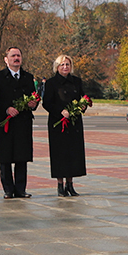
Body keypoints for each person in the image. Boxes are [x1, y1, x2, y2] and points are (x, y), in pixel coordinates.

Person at [0, 47, 38, 198]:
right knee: (6, 157)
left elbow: (33, 97)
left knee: (22, 156)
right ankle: (8, 190)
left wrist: (33, 104)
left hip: (23, 122)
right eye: (13, 56)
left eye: (18, 55)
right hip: (6, 122)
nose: (16, 58)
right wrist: (6, 108)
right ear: (6, 59)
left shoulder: (28, 77)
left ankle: (21, 189)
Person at [42, 55, 88, 197]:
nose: (65, 67)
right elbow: (46, 103)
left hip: (74, 123)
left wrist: (82, 107)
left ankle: (70, 184)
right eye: (62, 64)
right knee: (60, 154)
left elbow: (83, 97)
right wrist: (60, 112)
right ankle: (60, 185)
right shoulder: (51, 83)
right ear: (57, 66)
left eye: (67, 64)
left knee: (73, 154)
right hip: (59, 123)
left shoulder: (77, 81)